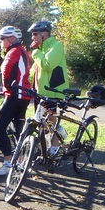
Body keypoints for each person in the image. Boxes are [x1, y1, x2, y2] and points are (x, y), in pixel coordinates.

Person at [0, 26, 32, 176]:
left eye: (2, 38)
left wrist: (6, 88)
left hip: (14, 96)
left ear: (11, 39)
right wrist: (0, 61)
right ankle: (21, 163)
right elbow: (16, 70)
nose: (0, 41)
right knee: (17, 131)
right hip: (24, 96)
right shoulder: (22, 51)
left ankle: (8, 163)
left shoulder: (13, 52)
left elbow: (7, 73)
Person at [28, 20, 70, 155]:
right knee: (46, 122)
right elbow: (35, 71)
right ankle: (45, 147)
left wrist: (35, 52)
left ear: (44, 33)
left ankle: (53, 149)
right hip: (41, 93)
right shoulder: (42, 49)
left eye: (35, 34)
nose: (32, 37)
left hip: (54, 91)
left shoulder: (56, 46)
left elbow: (47, 65)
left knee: (45, 121)